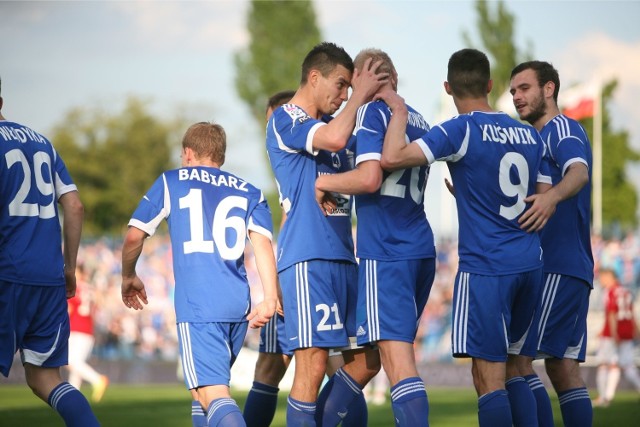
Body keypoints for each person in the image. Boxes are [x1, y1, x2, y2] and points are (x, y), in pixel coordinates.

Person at [380, 48, 550, 427]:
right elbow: (539, 194)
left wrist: (399, 110)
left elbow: (391, 157)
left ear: (447, 87)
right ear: (491, 86)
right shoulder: (527, 133)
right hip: (529, 264)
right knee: (517, 368)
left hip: (487, 268)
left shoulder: (461, 128)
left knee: (487, 378)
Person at [121, 122, 278, 427]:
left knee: (212, 394)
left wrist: (128, 276)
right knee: (201, 394)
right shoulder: (250, 190)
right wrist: (270, 297)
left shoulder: (173, 181)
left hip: (200, 305)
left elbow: (132, 237)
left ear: (189, 153)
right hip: (238, 305)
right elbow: (262, 245)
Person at [265, 41, 388, 426]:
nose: (344, 96)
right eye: (339, 85)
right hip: (307, 257)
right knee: (313, 363)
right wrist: (361, 98)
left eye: (349, 90)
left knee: (368, 359)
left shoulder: (339, 124)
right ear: (314, 77)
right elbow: (334, 139)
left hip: (344, 257)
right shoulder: (286, 119)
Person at [314, 48, 436, 426]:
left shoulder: (373, 112)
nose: (352, 95)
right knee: (368, 360)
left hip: (387, 252)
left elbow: (369, 178)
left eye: (354, 85)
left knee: (399, 364)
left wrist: (325, 181)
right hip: (419, 249)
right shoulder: (420, 120)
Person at [0, 78, 100, 426]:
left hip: (6, 274)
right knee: (46, 378)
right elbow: (74, 205)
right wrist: (69, 267)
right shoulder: (42, 142)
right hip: (48, 276)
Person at [509, 60, 594, 427]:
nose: (516, 97)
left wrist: (551, 197)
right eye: (513, 91)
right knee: (562, 368)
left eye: (524, 88)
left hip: (557, 266)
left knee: (515, 362)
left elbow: (579, 171)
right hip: (571, 267)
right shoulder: (533, 139)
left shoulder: (561, 129)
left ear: (549, 89)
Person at [243, 90, 296, 427]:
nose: (269, 131)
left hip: (297, 269)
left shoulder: (291, 152)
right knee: (336, 364)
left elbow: (292, 216)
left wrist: (274, 288)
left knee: (269, 367)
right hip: (338, 265)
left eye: (271, 121)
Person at [593, 267, 640, 406]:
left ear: (608, 276)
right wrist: (636, 330)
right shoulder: (626, 291)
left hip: (613, 334)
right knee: (628, 366)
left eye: (602, 277)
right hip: (627, 332)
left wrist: (613, 333)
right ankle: (608, 396)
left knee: (605, 364)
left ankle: (604, 397)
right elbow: (631, 312)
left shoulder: (610, 291)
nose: (601, 280)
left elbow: (612, 313)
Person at [66, 264, 109, 402]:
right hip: (88, 331)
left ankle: (97, 379)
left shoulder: (74, 288)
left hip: (75, 329)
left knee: (70, 361)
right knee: (76, 363)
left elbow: (69, 309)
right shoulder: (91, 289)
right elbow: (97, 308)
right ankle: (73, 396)